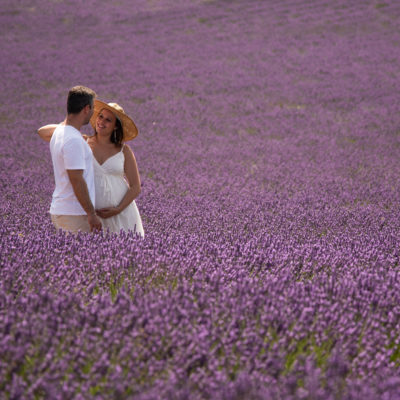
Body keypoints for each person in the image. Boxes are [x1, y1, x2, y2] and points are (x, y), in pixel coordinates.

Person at [38, 99, 144, 236]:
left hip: (121, 213)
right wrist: (69, 127)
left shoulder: (124, 151)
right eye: (100, 116)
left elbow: (135, 186)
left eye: (108, 120)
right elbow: (43, 132)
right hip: (92, 214)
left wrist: (118, 209)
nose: (102, 122)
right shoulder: (82, 141)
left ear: (116, 127)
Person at [46, 85, 102, 234]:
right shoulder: (73, 140)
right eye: (93, 108)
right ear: (86, 109)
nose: (93, 113)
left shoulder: (59, 132)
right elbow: (76, 179)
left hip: (63, 209)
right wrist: (91, 213)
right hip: (74, 213)